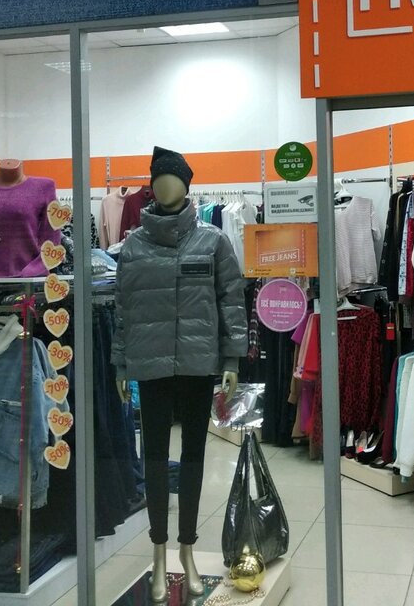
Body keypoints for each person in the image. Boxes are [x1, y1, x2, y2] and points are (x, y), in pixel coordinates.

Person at [112, 146, 246, 601]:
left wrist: (231, 360)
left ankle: (187, 550)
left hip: (197, 364)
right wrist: (119, 363)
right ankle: (158, 554)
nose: (165, 185)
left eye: (173, 178)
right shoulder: (133, 245)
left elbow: (232, 302)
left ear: (187, 185)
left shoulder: (213, 240)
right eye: (158, 178)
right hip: (150, 364)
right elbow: (122, 311)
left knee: (193, 457)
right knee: (153, 458)